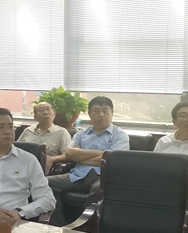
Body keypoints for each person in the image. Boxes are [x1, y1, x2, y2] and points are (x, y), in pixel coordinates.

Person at [46, 96, 130, 226]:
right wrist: (102, 155)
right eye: (96, 110)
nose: (101, 114)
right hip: (77, 175)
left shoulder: (120, 135)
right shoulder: (81, 134)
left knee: (100, 190)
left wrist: (80, 155)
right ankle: (59, 224)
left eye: (105, 110)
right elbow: (69, 153)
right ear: (90, 114)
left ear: (112, 113)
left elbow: (113, 160)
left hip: (102, 176)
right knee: (45, 183)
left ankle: (86, 227)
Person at [17, 102, 73, 173]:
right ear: (35, 117)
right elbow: (16, 149)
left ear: (54, 113)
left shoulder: (62, 132)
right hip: (22, 167)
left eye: (48, 109)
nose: (46, 112)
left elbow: (68, 155)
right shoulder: (28, 130)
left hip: (44, 170)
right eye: (41, 110)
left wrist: (52, 159)